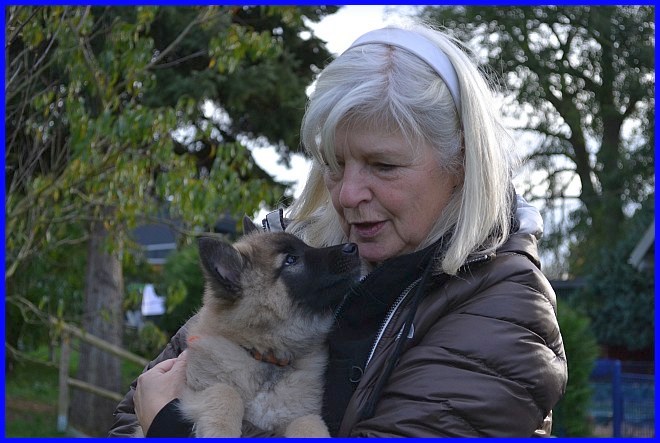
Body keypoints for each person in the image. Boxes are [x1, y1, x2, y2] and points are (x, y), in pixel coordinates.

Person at [109, 23, 567, 437]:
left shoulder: (503, 315)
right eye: (333, 164)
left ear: (461, 163)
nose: (347, 195)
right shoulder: (296, 255)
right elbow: (134, 410)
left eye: (383, 165)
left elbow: (156, 410)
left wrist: (172, 426)